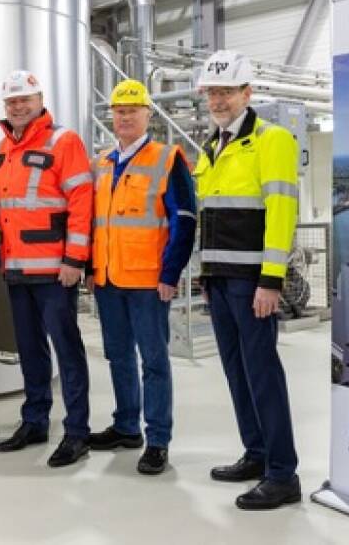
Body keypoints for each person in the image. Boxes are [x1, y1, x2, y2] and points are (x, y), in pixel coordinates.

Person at [194, 51, 302, 509]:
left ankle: (282, 474)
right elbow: (211, 216)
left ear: (247, 93)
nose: (218, 101)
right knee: (236, 372)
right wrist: (204, 274)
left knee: (262, 374)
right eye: (212, 93)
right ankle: (256, 454)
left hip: (252, 282)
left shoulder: (270, 140)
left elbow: (281, 211)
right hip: (219, 280)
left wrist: (271, 280)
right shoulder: (211, 146)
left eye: (226, 92)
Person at [86, 79, 197, 476]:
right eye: (119, 111)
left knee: (153, 362)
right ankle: (126, 426)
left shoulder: (167, 159)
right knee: (118, 356)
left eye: (133, 110)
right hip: (108, 279)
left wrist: (171, 272)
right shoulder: (101, 163)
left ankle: (158, 440)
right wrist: (91, 269)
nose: (125, 117)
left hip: (149, 282)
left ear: (148, 114)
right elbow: (93, 222)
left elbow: (185, 219)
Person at [0, 70, 94, 468]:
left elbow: (81, 201)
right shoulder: (2, 149)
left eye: (25, 99)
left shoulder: (63, 141)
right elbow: (9, 208)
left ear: (39, 100)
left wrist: (75, 259)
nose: (18, 106)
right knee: (30, 351)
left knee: (67, 351)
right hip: (17, 270)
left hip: (55, 271)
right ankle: (34, 421)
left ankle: (77, 432)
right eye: (12, 101)